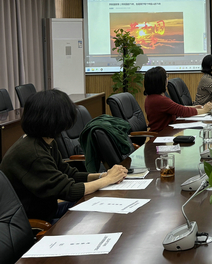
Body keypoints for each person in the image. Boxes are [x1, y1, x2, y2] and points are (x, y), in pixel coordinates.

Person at [0, 89, 128, 223]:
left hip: (48, 210)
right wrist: (107, 180)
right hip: (30, 222)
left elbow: (67, 173)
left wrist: (102, 176)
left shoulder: (44, 140)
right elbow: (69, 191)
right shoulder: (33, 153)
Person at [144, 66, 212, 132]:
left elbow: (175, 108)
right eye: (166, 77)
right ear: (160, 82)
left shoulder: (152, 97)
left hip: (167, 131)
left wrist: (194, 107)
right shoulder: (159, 100)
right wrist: (204, 110)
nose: (167, 79)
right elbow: (181, 111)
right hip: (161, 134)